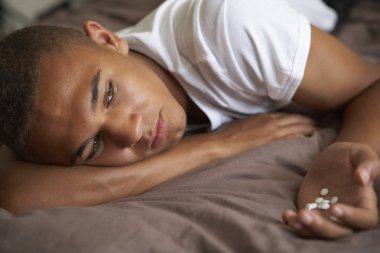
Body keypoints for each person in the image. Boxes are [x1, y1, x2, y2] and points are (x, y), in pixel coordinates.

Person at [0, 0, 379, 239]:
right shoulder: (55, 121)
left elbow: (371, 85)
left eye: (108, 94)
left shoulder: (234, 31)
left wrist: (350, 147)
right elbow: (19, 194)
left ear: (107, 39)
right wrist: (216, 146)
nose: (131, 132)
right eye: (94, 146)